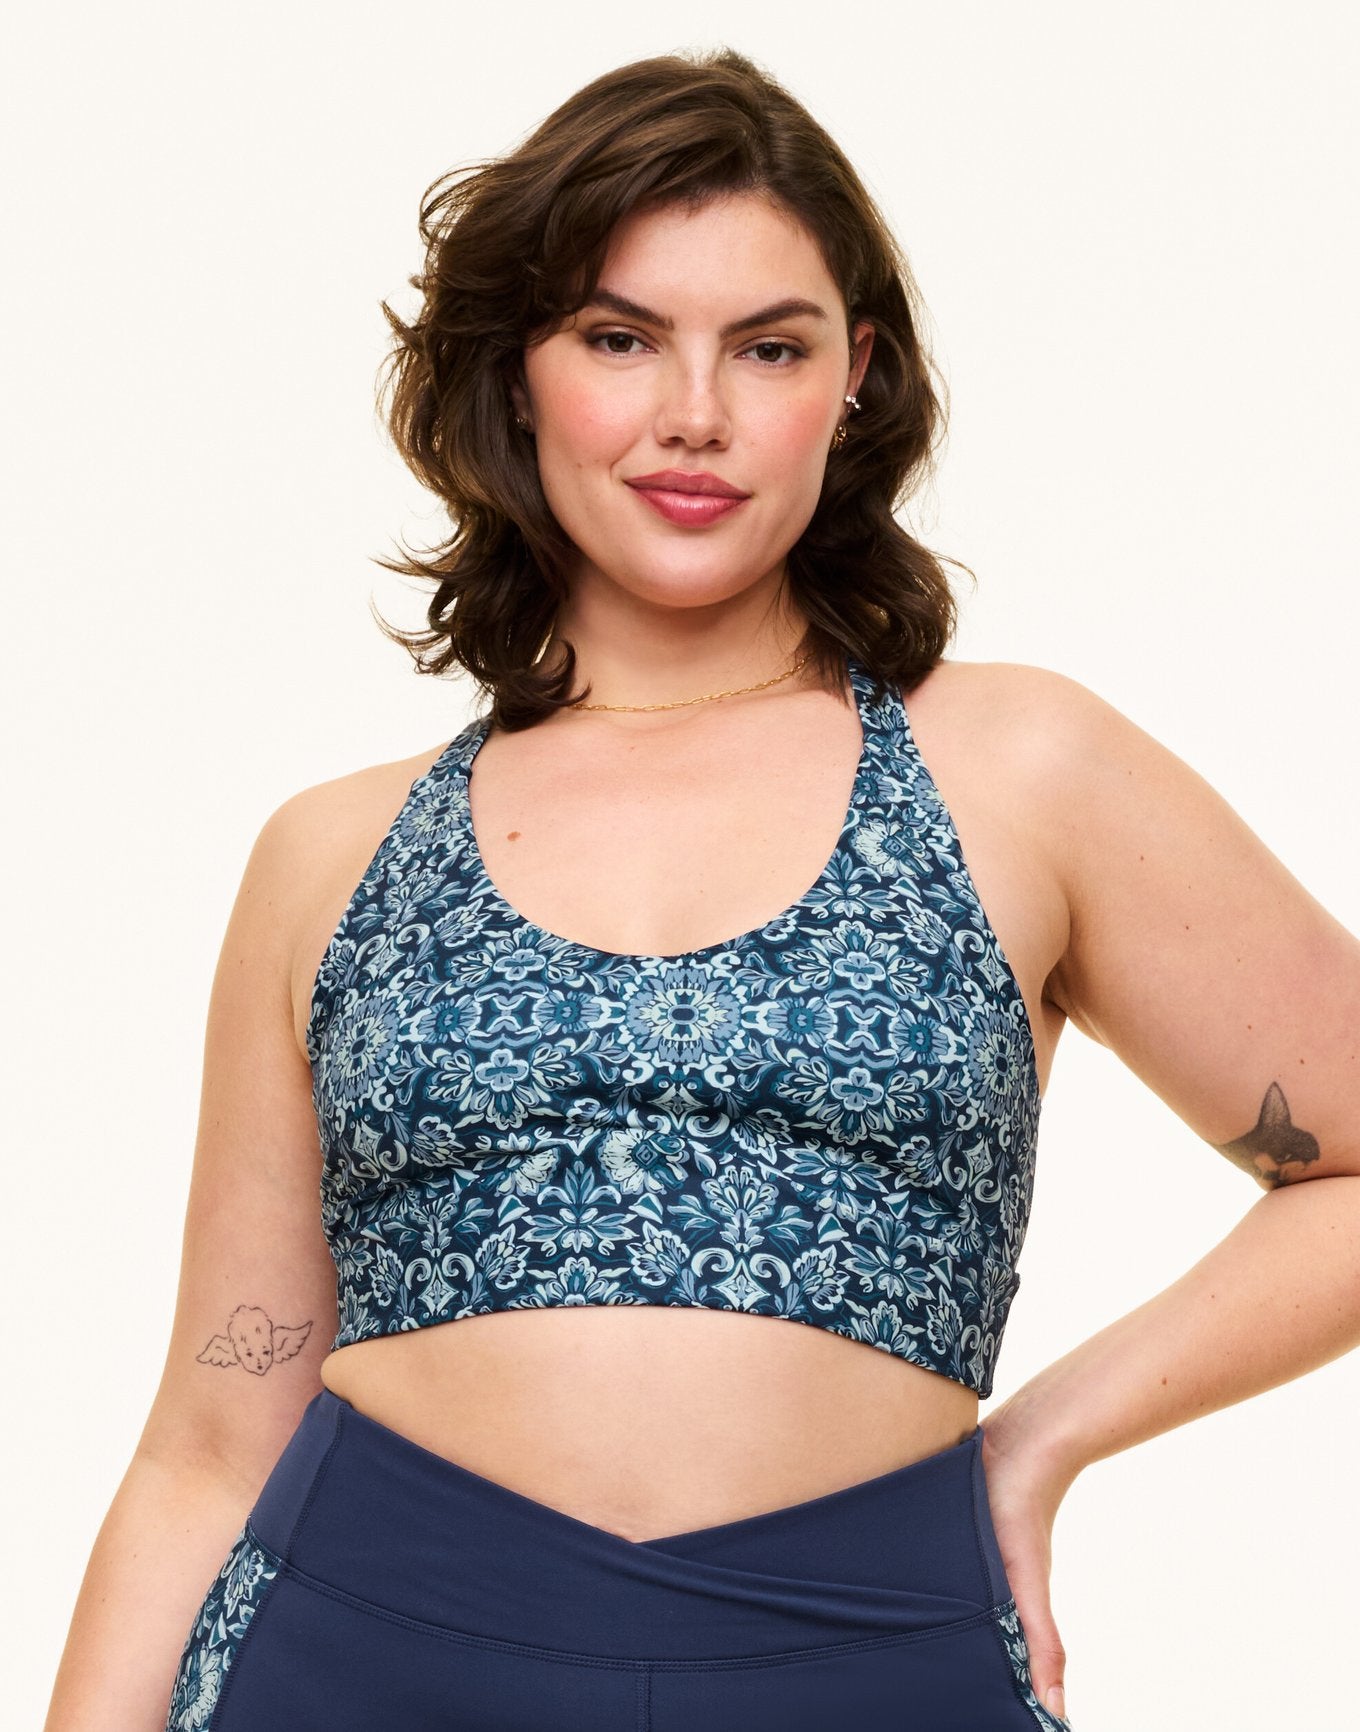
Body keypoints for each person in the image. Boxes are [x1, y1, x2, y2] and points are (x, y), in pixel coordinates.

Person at [43, 45, 1360, 1732]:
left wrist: (1040, 1444)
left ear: (855, 378)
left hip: (870, 1655)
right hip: (363, 1653)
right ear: (517, 375)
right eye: (619, 338)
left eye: (769, 347)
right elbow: (212, 1441)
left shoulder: (1023, 771)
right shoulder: (333, 853)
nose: (696, 415)